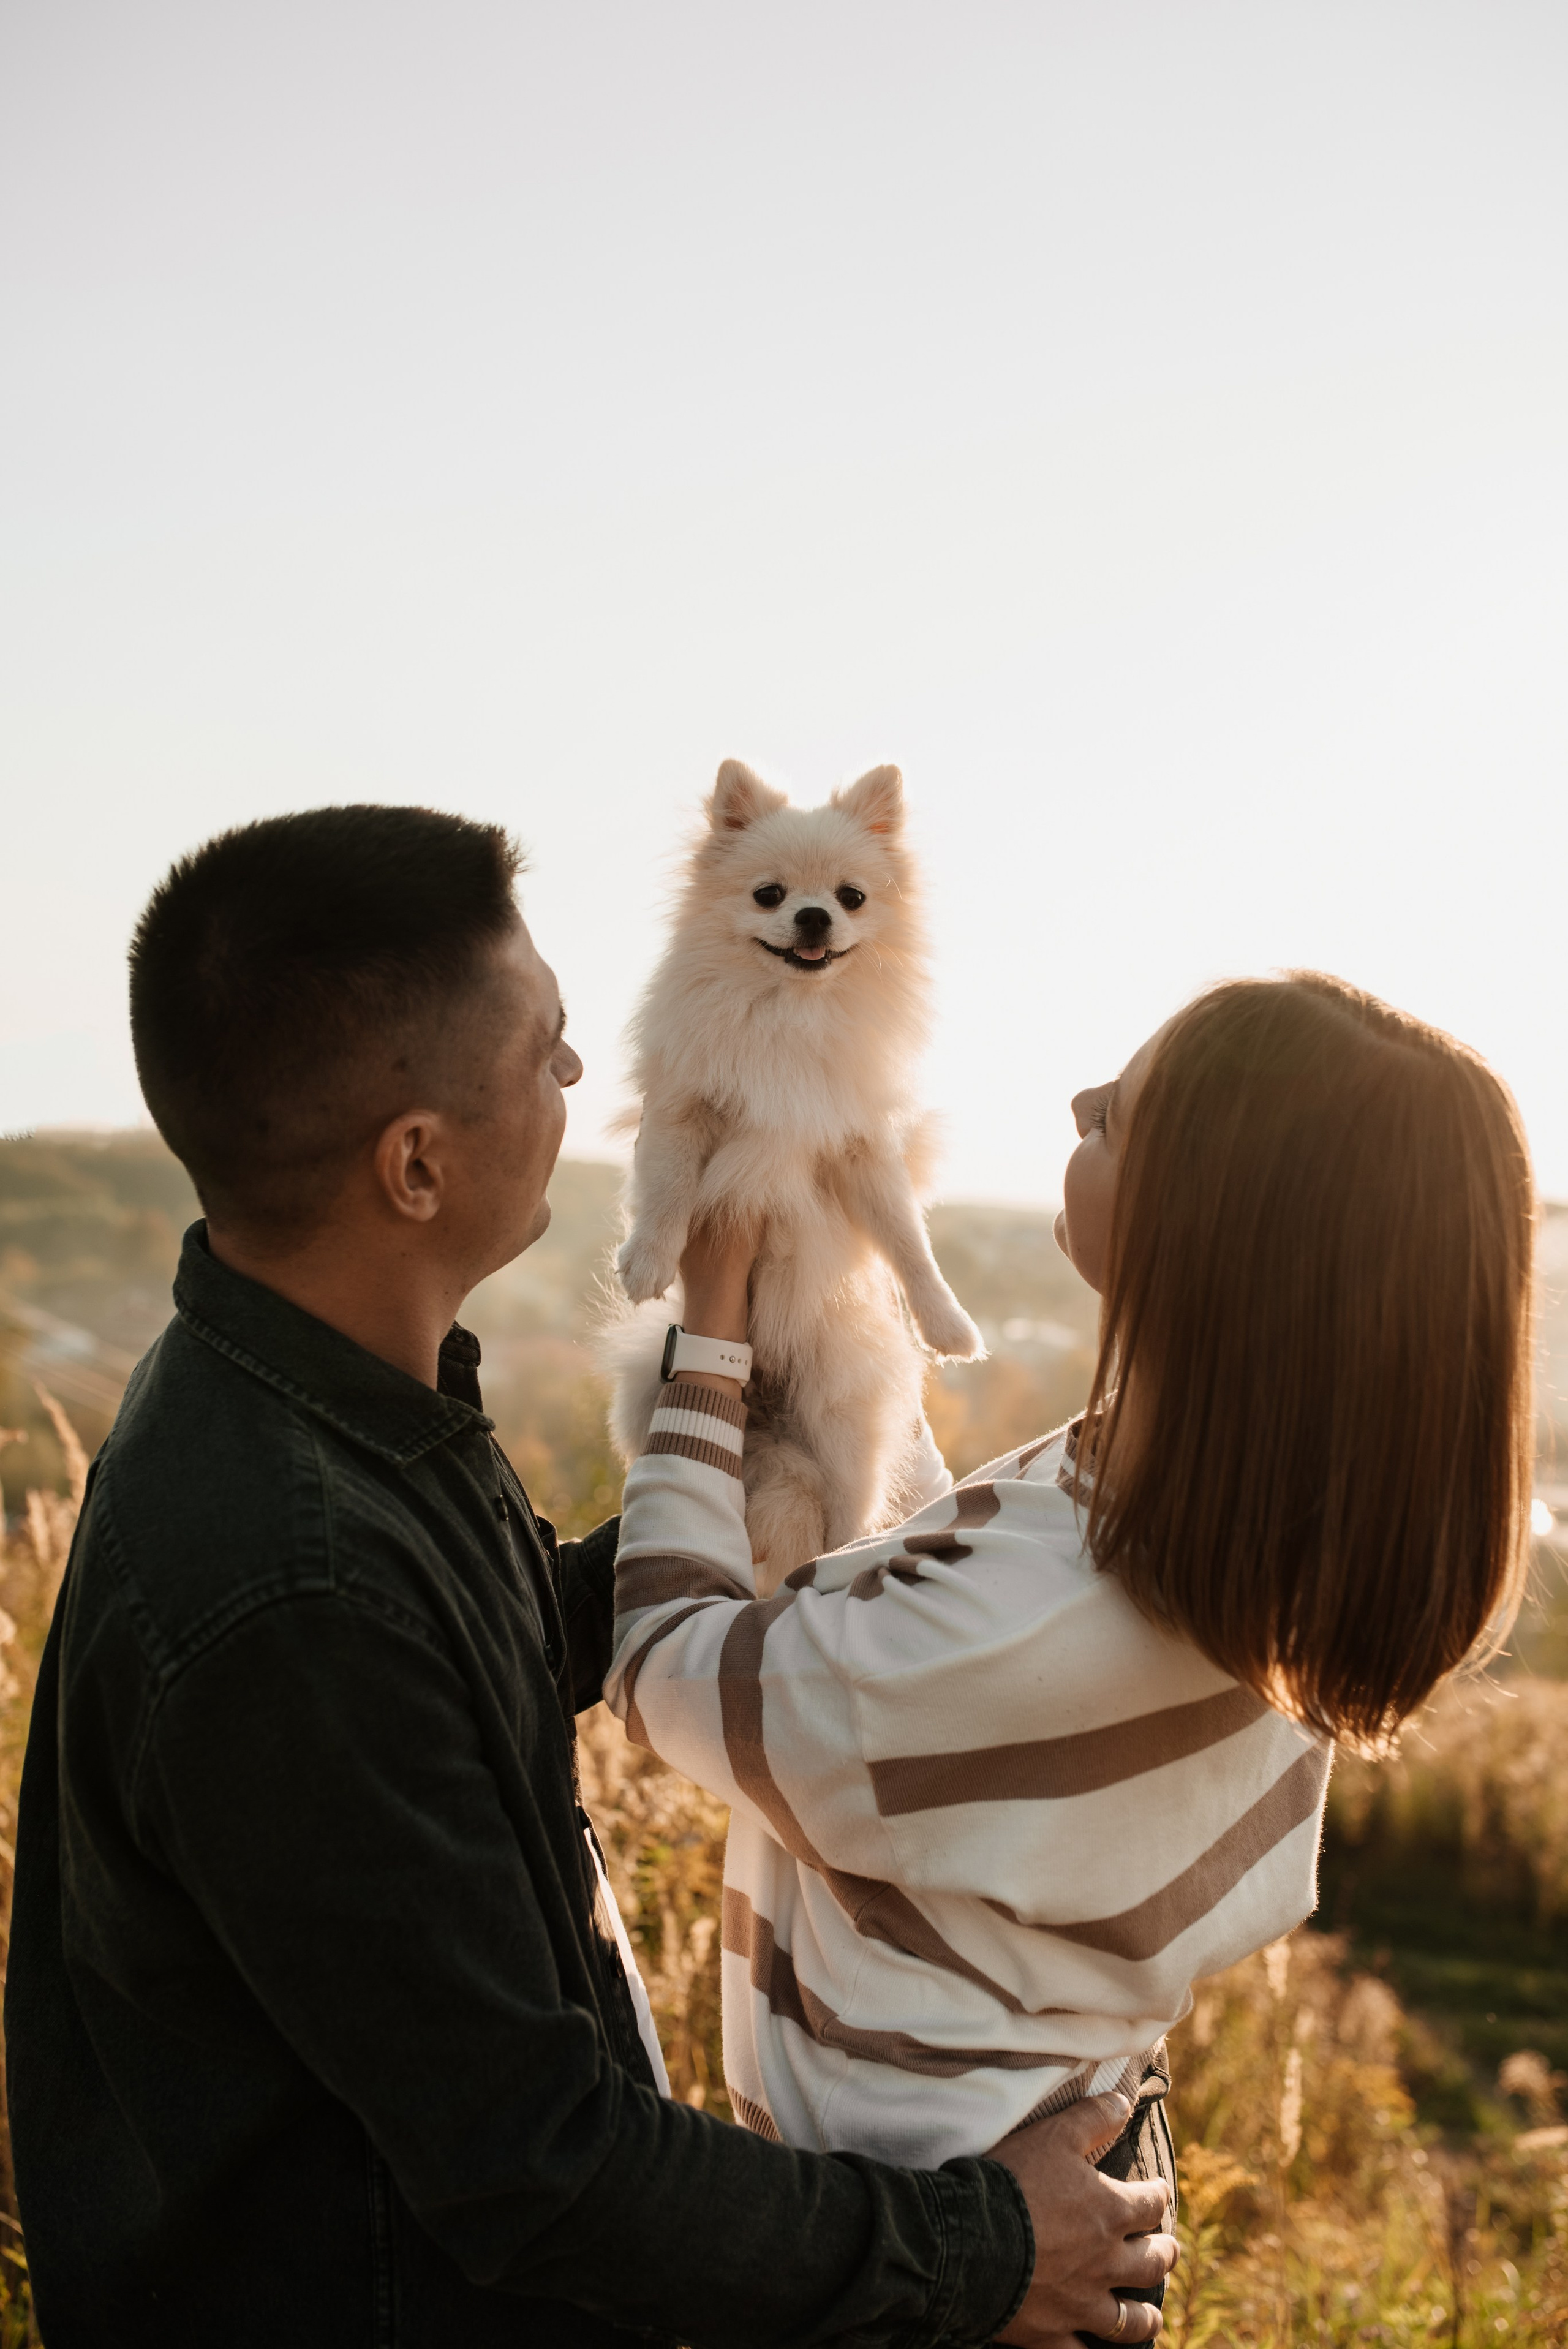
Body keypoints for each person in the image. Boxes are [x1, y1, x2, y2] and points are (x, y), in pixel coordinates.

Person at [4, 804, 1177, 2348]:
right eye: (544, 1054)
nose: (583, 1082)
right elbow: (537, 2164)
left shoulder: (333, 1406)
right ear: (416, 1163)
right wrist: (976, 2247)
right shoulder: (290, 1589)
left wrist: (786, 1477)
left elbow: (480, 1655)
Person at [605, 974, 1535, 2347]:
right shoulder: (1241, 1534)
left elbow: (669, 1667)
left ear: (1212, 1229)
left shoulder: (1043, 1620)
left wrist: (715, 1330)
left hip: (934, 2269)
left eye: (1120, 1111)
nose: (1076, 1103)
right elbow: (913, 1568)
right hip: (1025, 2189)